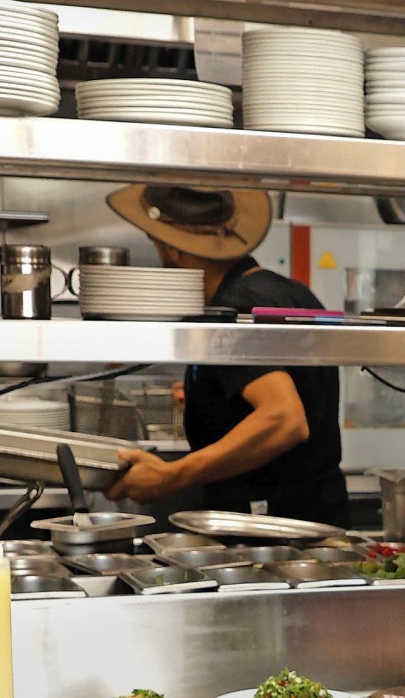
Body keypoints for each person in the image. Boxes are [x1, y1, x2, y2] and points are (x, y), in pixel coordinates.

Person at [103, 185, 347, 527]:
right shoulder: (288, 291)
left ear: (172, 248)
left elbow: (285, 420)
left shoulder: (231, 311)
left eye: (155, 241)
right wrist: (214, 399)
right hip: (319, 513)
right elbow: (291, 387)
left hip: (268, 526)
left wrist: (171, 476)